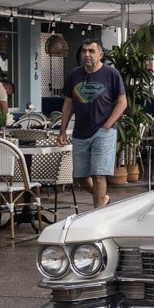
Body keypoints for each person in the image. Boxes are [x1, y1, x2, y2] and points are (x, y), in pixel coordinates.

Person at [57, 40, 127, 209]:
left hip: (104, 132)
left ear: (100, 54)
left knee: (98, 175)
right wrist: (62, 130)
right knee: (80, 177)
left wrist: (107, 125)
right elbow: (68, 103)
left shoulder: (111, 74)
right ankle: (103, 199)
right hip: (80, 132)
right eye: (84, 51)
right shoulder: (75, 74)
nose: (87, 54)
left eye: (91, 51)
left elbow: (122, 102)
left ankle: (98, 213)